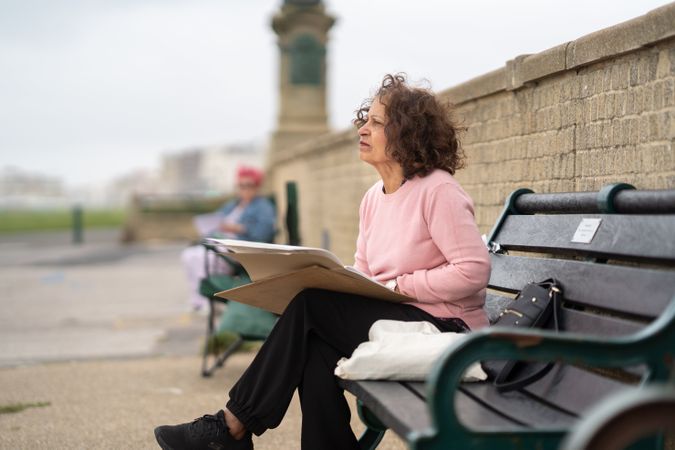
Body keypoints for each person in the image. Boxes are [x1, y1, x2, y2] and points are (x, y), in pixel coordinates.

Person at [155, 74, 491, 450]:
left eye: (377, 123)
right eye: (365, 119)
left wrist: (399, 287)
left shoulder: (438, 190)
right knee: (315, 340)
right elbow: (366, 272)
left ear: (408, 133)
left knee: (312, 306)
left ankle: (231, 428)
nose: (362, 129)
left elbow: (473, 271)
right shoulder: (373, 198)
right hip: (399, 319)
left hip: (445, 327)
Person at [181, 166, 276, 311]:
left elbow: (263, 233)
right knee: (188, 255)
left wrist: (239, 228)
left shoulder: (263, 207)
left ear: (257, 186)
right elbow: (217, 220)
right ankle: (197, 300)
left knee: (203, 259)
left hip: (239, 248)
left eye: (249, 185)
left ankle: (208, 301)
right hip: (219, 242)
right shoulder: (232, 205)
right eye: (241, 185)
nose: (244, 189)